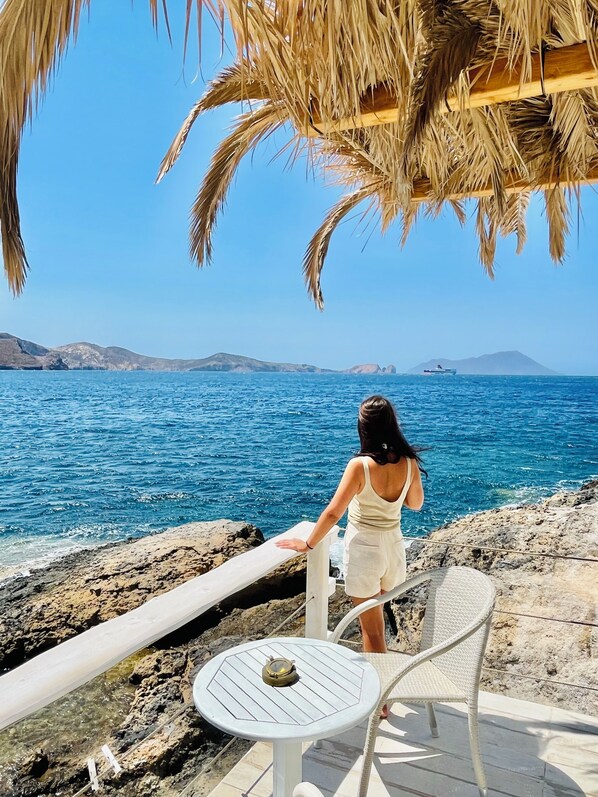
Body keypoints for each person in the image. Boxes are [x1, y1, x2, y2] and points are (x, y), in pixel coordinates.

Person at [276, 394, 425, 657]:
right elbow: (415, 503)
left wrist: (309, 543)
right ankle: (383, 693)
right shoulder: (409, 462)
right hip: (393, 550)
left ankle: (381, 696)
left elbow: (334, 512)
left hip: (365, 553)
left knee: (372, 631)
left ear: (363, 427)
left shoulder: (359, 466)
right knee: (377, 623)